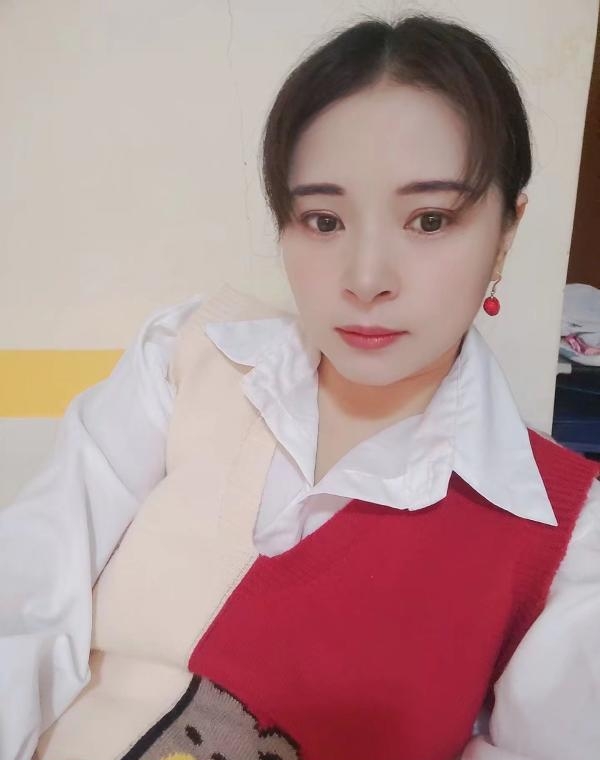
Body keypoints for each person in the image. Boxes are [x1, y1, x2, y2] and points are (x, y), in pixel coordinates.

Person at [1, 11, 599, 760]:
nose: (367, 278)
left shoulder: (565, 540)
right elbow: (25, 596)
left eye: (429, 219)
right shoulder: (187, 360)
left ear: (506, 232)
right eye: (322, 220)